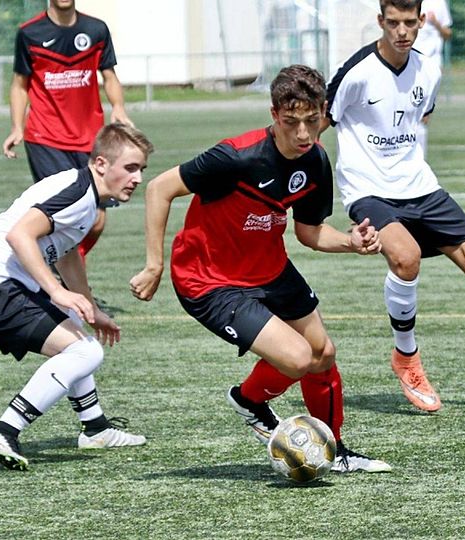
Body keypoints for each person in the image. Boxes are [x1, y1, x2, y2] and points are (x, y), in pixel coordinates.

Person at [129, 65, 391, 473]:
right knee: (298, 357)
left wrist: (351, 243)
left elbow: (309, 232)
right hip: (210, 280)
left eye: (312, 121)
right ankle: (250, 399)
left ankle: (334, 451)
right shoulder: (235, 157)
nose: (303, 133)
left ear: (324, 113)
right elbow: (159, 188)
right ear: (274, 115)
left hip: (268, 268)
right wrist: (153, 265)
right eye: (292, 123)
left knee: (323, 352)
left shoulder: (316, 160)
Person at [323, 0, 465, 414]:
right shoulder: (355, 72)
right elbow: (317, 123)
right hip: (368, 190)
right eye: (392, 23)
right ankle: (406, 358)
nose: (401, 32)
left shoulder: (429, 68)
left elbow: (419, 119)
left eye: (409, 23)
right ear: (380, 22)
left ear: (421, 21)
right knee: (407, 257)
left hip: (422, 187)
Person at [0, 123, 153, 471]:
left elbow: (66, 252)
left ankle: (95, 428)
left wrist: (88, 306)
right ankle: (4, 431)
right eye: (131, 168)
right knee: (85, 351)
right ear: (102, 163)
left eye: (141, 170)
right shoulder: (78, 193)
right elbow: (20, 236)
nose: (137, 178)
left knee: (77, 329)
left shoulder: (88, 197)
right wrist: (57, 290)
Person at [2, 0, 133, 267]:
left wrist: (118, 107)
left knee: (96, 220)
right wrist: (17, 126)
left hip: (90, 140)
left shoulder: (96, 30)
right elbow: (19, 85)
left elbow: (109, 75)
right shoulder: (30, 33)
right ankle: (67, 278)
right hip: (46, 138)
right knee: (67, 213)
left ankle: (59, 268)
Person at [411, 0, 452, 152]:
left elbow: (448, 34)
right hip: (408, 63)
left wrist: (435, 23)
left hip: (431, 65)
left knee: (423, 114)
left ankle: (419, 159)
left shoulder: (439, 3)